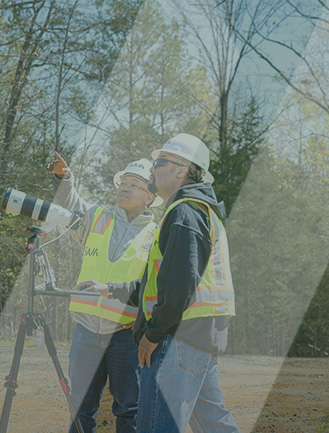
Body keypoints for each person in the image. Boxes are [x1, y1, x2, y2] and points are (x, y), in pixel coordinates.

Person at [76, 133, 239, 433]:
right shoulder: (194, 211)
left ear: (181, 169)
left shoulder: (184, 212)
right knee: (214, 422)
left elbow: (179, 286)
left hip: (178, 336)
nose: (152, 169)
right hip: (198, 335)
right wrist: (110, 289)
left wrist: (153, 333)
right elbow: (159, 283)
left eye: (160, 162)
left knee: (155, 426)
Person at [46, 153, 160, 433]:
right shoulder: (97, 218)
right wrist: (64, 178)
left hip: (127, 334)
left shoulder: (156, 234)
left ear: (149, 197)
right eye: (123, 182)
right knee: (79, 407)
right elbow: (69, 203)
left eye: (134, 184)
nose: (124, 187)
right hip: (86, 330)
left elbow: (155, 288)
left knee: (129, 409)